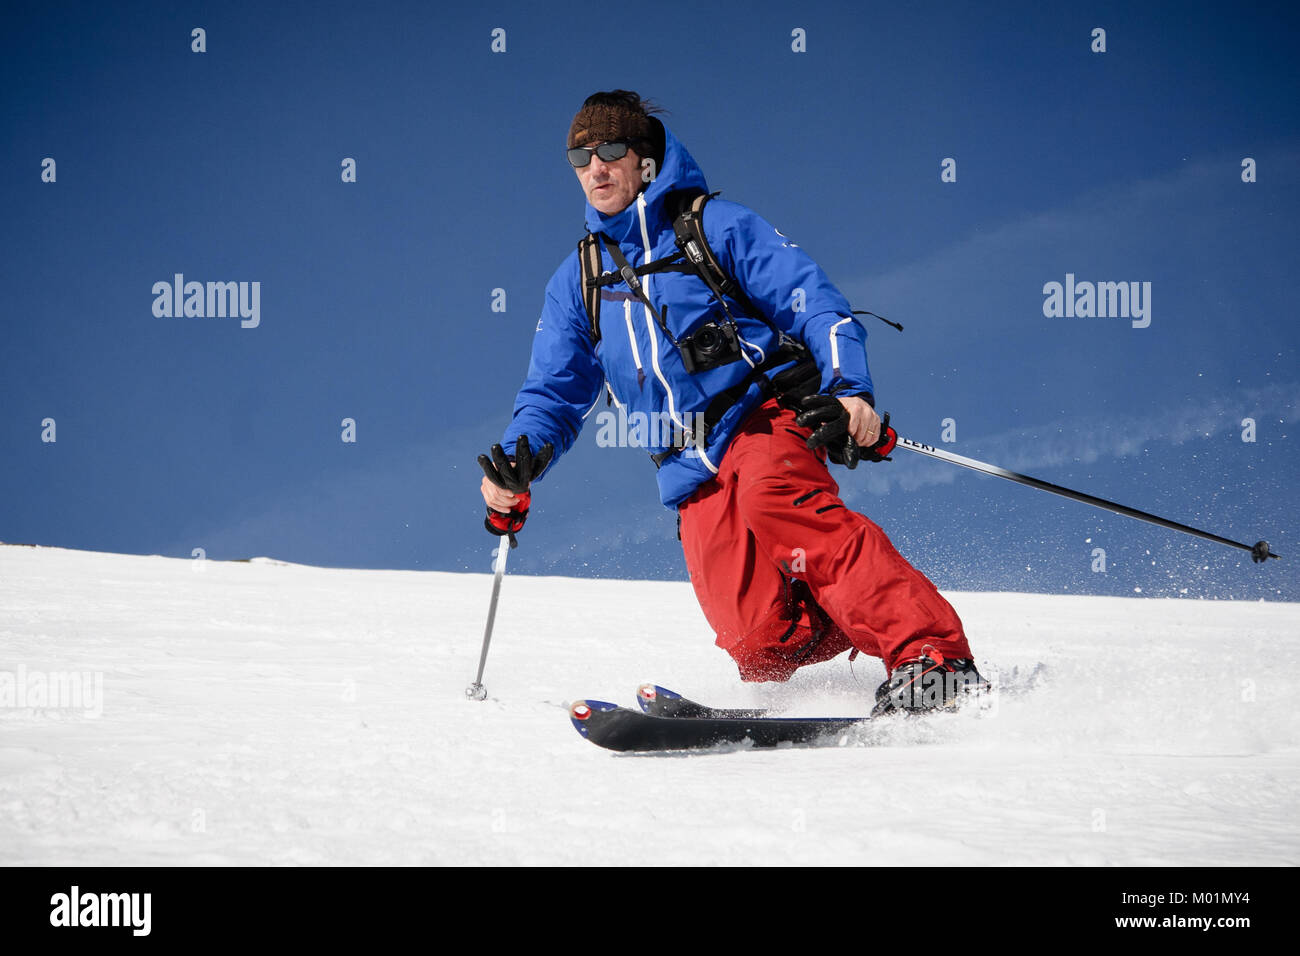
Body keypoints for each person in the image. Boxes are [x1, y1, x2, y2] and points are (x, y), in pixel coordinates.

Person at [478, 91, 986, 715]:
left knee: (782, 506)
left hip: (758, 418)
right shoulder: (579, 280)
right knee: (754, 638)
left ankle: (933, 656)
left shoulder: (711, 227)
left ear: (645, 159)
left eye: (611, 151)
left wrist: (850, 393)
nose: (596, 169)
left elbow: (816, 303)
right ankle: (846, 621)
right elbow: (553, 394)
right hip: (685, 466)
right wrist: (518, 463)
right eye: (580, 157)